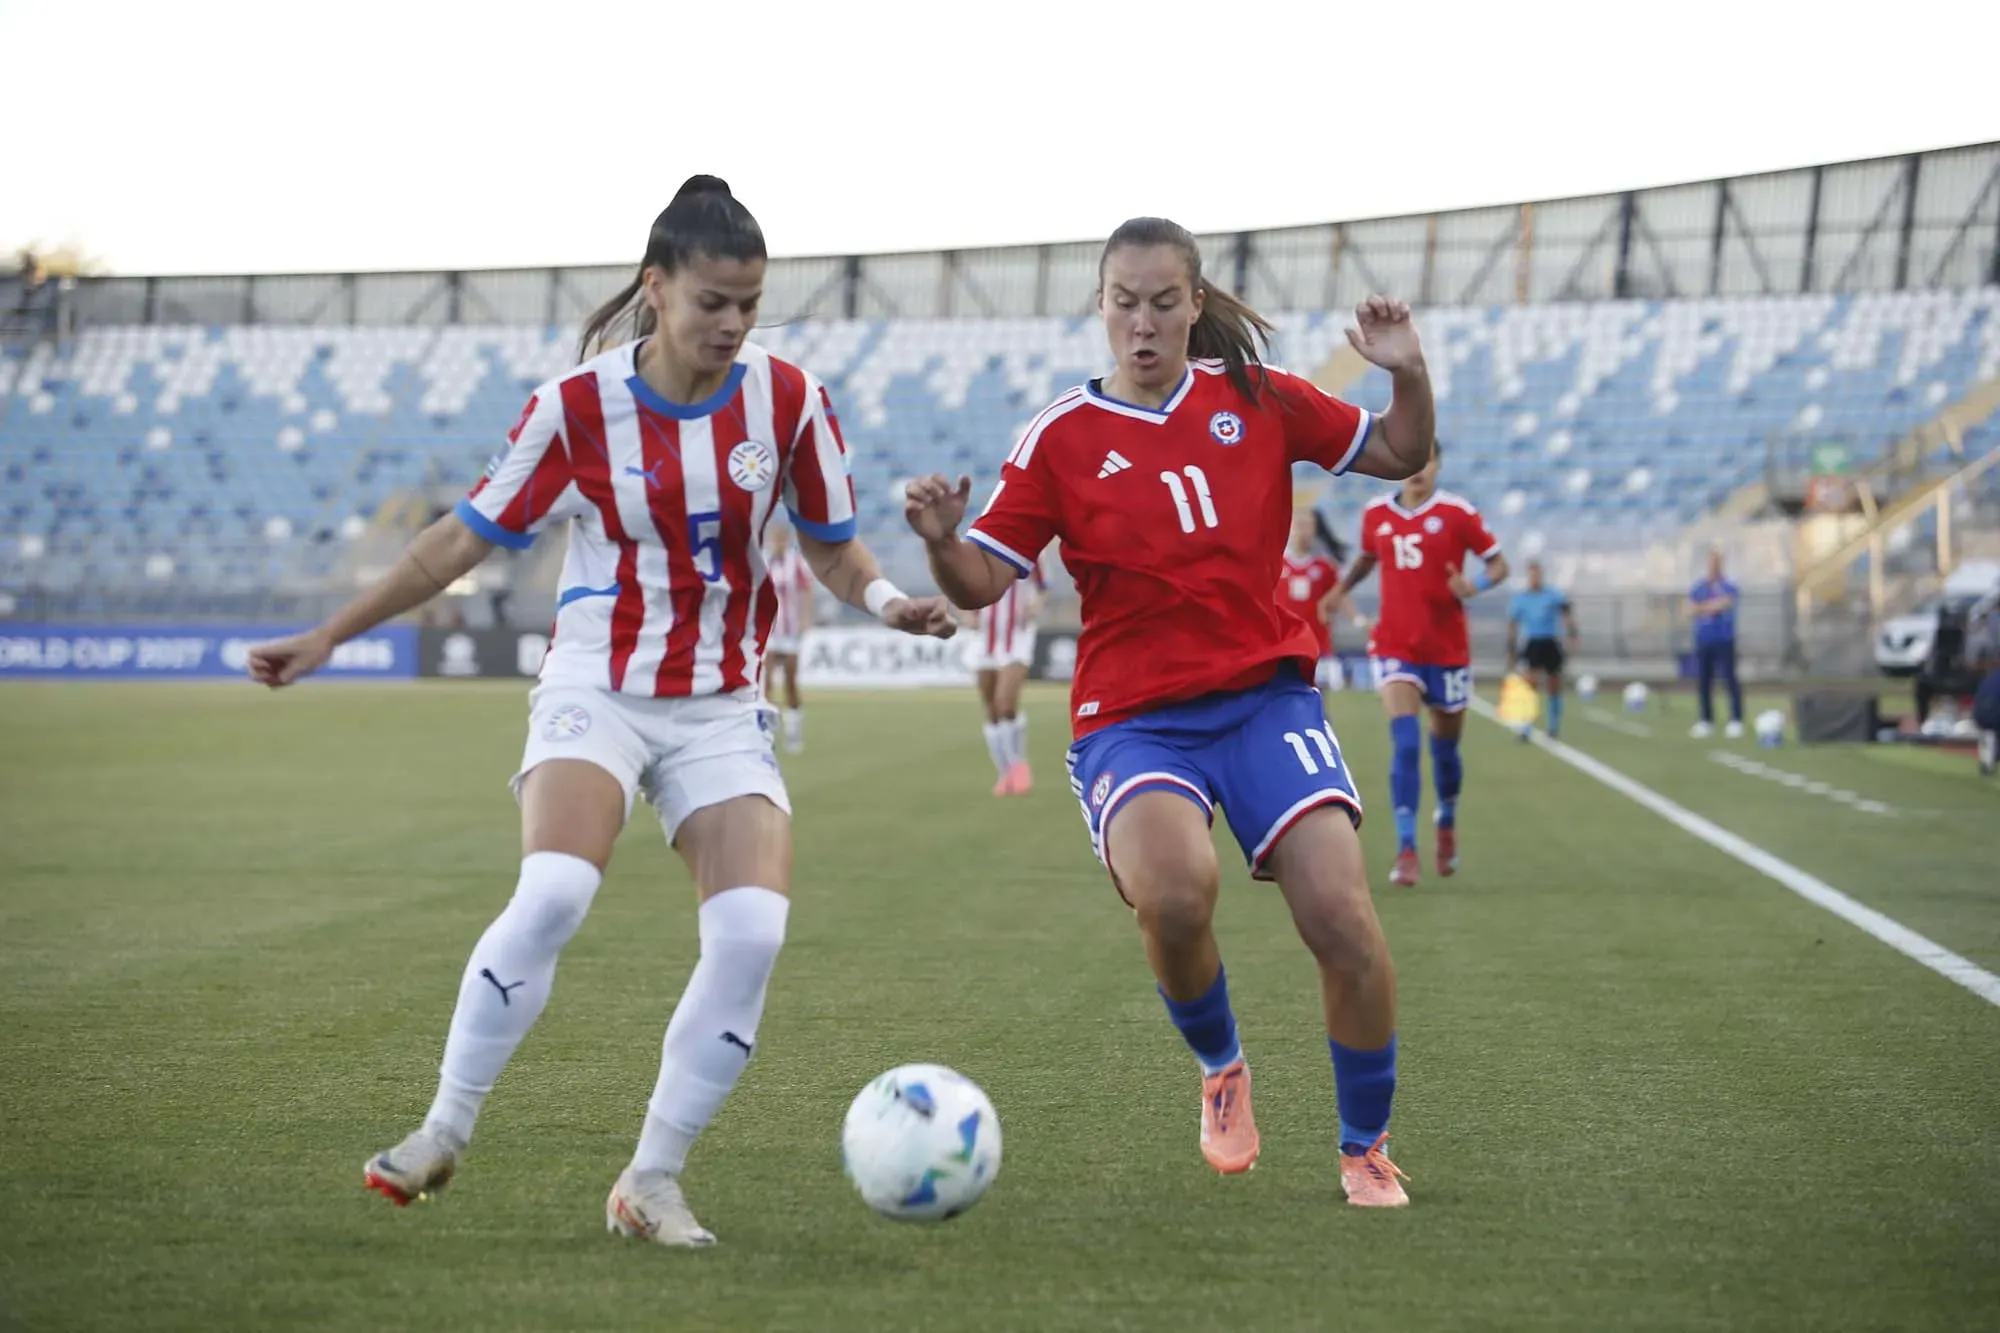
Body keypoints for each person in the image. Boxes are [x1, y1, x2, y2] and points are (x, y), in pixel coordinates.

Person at [245, 176, 954, 1248]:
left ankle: (650, 1181)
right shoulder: (574, 409)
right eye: (712, 301)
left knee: (753, 930)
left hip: (719, 705)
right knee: (554, 891)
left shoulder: (788, 401)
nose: (730, 325)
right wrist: (332, 634)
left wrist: (894, 598)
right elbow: (457, 539)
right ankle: (442, 1127)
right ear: (654, 287)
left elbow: (828, 544)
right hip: (597, 689)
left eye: (749, 305)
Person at [906, 216, 1434, 1207]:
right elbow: (979, 581)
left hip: (1264, 699)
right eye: (1123, 303)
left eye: (1161, 302)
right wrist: (940, 541)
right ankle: (1221, 1066)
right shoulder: (1060, 436)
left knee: (1343, 919)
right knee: (1178, 892)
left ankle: (1364, 1145)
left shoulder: (1256, 399)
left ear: (1194, 303)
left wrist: (1405, 369)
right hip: (1133, 718)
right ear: (1098, 308)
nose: (1141, 323)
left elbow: (1404, 444)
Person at [1332, 444, 1508, 886]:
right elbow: (1368, 557)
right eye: (1414, 458)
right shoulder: (1375, 514)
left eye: (1428, 459)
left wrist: (1474, 584)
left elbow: (1499, 564)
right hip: (1395, 646)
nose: (1419, 468)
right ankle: (1406, 847)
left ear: (1438, 465)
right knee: (1406, 742)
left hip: (1446, 651)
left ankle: (1445, 819)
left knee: (1445, 752)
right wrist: (1340, 589)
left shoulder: (1456, 513)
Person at [970, 551, 1046, 795]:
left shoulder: (1032, 552)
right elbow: (961, 588)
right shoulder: (976, 551)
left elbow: (1044, 587)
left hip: (1017, 636)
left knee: (1005, 703)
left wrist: (1035, 604)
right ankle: (1004, 772)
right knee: (991, 709)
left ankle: (1018, 765)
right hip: (985, 637)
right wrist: (967, 615)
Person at [1278, 500, 1365, 694]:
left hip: (1317, 646)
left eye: (1307, 525)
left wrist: (1358, 620)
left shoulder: (1325, 567)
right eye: (1298, 524)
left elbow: (1340, 596)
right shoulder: (1277, 565)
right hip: (1283, 646)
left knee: (1318, 701)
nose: (1302, 530)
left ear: (1315, 529)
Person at [1507, 560, 1579, 739]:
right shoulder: (1521, 599)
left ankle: (1553, 726)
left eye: (1537, 574)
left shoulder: (1552, 594)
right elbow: (1513, 625)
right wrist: (1511, 649)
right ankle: (1526, 726)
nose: (1535, 578)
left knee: (1554, 684)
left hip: (1550, 642)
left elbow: (1566, 611)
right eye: (1532, 574)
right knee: (1529, 685)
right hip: (1532, 643)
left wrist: (1572, 635)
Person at [762, 521, 813, 753]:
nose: (777, 544)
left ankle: (794, 731)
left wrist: (805, 619)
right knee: (766, 682)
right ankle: (766, 734)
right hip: (769, 631)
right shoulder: (764, 561)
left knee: (791, 682)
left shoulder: (796, 563)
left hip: (790, 630)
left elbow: (805, 592)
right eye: (774, 539)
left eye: (781, 539)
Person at [1688, 548, 1743, 739]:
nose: (1713, 567)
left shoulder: (1728, 585)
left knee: (1729, 679)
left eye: (1716, 563)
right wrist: (1710, 606)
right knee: (1704, 681)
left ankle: (1735, 719)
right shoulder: (1699, 587)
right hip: (1704, 640)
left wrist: (1706, 607)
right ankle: (1706, 720)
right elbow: (1690, 608)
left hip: (1724, 639)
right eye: (1711, 564)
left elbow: (1726, 602)